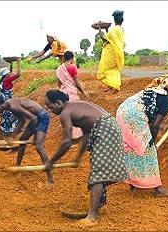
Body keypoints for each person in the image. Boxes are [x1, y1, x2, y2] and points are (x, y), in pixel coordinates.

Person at [44, 90, 128, 225]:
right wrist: (78, 157)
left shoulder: (65, 113)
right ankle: (96, 205)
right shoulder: (75, 107)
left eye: (50, 106)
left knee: (98, 173)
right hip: (109, 127)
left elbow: (66, 142)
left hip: (105, 130)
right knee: (99, 170)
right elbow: (87, 133)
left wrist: (51, 162)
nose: (49, 110)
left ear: (59, 103)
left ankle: (92, 216)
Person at [116, 73, 168, 198]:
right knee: (148, 150)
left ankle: (133, 184)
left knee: (134, 148)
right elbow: (154, 125)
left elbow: (150, 117)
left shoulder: (153, 91)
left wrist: (157, 131)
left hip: (122, 112)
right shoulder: (167, 101)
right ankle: (158, 189)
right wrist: (151, 142)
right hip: (133, 116)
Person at [0, 95, 54, 184]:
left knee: (39, 147)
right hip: (35, 118)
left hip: (42, 117)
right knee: (22, 141)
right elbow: (22, 120)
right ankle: (18, 166)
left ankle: (50, 178)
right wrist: (13, 136)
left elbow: (34, 119)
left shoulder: (14, 106)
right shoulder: (10, 107)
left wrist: (36, 137)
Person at [56, 51, 87, 139]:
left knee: (66, 114)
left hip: (62, 93)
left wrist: (62, 90)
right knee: (75, 115)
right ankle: (75, 135)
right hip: (71, 93)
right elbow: (77, 83)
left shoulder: (59, 68)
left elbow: (59, 83)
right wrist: (83, 92)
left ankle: (68, 135)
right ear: (72, 58)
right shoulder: (73, 67)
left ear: (64, 58)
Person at [96, 10, 125, 94]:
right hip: (117, 52)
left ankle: (114, 86)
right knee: (113, 69)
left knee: (105, 69)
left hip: (111, 53)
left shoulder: (114, 30)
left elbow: (103, 38)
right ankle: (111, 86)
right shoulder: (120, 29)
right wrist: (106, 28)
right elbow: (111, 38)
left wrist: (99, 28)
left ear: (114, 20)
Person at [0, 58, 21, 138]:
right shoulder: (7, 80)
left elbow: (10, 73)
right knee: (12, 116)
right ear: (6, 74)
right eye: (9, 73)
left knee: (4, 118)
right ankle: (11, 134)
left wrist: (11, 64)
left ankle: (3, 136)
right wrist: (18, 62)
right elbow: (18, 74)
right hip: (7, 102)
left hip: (2, 102)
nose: (10, 74)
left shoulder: (2, 80)